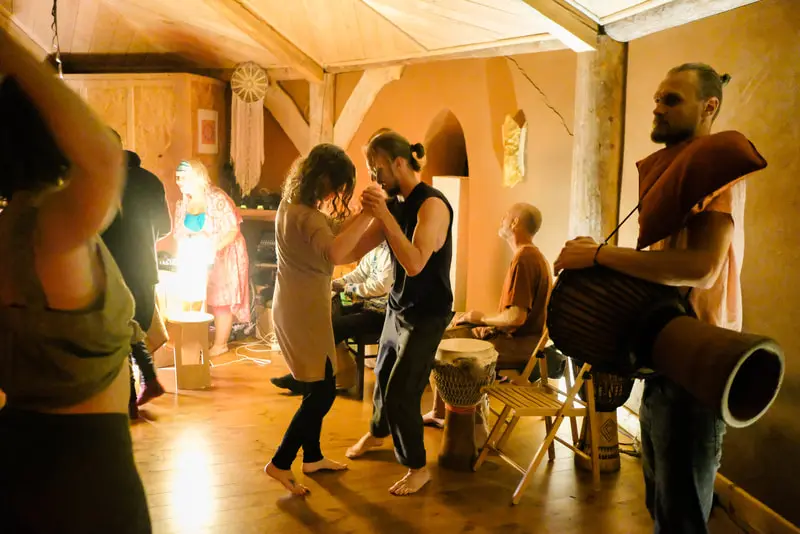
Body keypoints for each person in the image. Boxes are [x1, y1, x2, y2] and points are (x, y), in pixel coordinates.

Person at [554, 63, 743, 533]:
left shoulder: (716, 170)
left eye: (672, 99)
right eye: (657, 98)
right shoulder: (678, 169)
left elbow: (701, 269)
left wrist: (599, 255)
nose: (657, 107)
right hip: (662, 355)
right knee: (660, 503)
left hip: (697, 358)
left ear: (709, 106)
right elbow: (659, 269)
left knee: (680, 518)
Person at [0, 29, 150, 533]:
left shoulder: (16, 224)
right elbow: (105, 158)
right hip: (82, 482)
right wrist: (9, 49)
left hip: (29, 463)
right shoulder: (48, 227)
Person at [345, 130, 454, 497]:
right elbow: (357, 248)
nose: (374, 177)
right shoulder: (396, 205)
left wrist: (383, 215)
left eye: (376, 169)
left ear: (399, 163)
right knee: (381, 376)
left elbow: (415, 263)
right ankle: (378, 434)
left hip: (428, 313)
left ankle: (417, 468)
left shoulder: (431, 205)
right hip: (399, 304)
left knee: (401, 393)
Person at [264, 143, 376, 496]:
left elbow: (336, 234)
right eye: (337, 186)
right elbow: (337, 251)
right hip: (304, 311)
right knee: (324, 391)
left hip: (294, 306)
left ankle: (311, 457)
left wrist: (372, 222)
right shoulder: (308, 217)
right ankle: (281, 462)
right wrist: (369, 214)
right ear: (324, 178)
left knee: (316, 385)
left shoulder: (291, 206)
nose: (335, 194)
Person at [422, 202, 562, 430]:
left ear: (515, 222)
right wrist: (473, 319)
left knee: (439, 344)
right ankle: (443, 412)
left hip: (519, 346)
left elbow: (516, 318)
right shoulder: (530, 256)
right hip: (517, 340)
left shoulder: (525, 258)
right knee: (451, 328)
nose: (501, 220)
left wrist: (481, 319)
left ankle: (465, 417)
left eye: (506, 216)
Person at [102, 133, 171, 418]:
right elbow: (165, 227)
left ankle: (130, 401)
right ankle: (149, 381)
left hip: (113, 268)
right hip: (144, 268)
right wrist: (144, 238)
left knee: (120, 333)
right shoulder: (150, 180)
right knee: (134, 329)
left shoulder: (103, 181)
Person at [270, 241, 393, 394]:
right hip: (366, 305)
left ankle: (309, 380)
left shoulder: (392, 253)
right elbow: (359, 274)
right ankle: (310, 375)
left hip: (382, 313)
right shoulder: (376, 248)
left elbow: (381, 287)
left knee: (333, 327)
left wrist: (346, 288)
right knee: (322, 318)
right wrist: (336, 283)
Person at [173, 160, 250, 356]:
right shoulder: (182, 203)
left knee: (220, 300)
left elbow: (232, 229)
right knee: (194, 298)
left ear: (197, 177)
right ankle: (195, 343)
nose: (179, 181)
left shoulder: (217, 199)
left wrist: (212, 248)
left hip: (224, 255)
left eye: (183, 177)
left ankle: (220, 344)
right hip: (197, 257)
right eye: (177, 178)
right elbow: (179, 233)